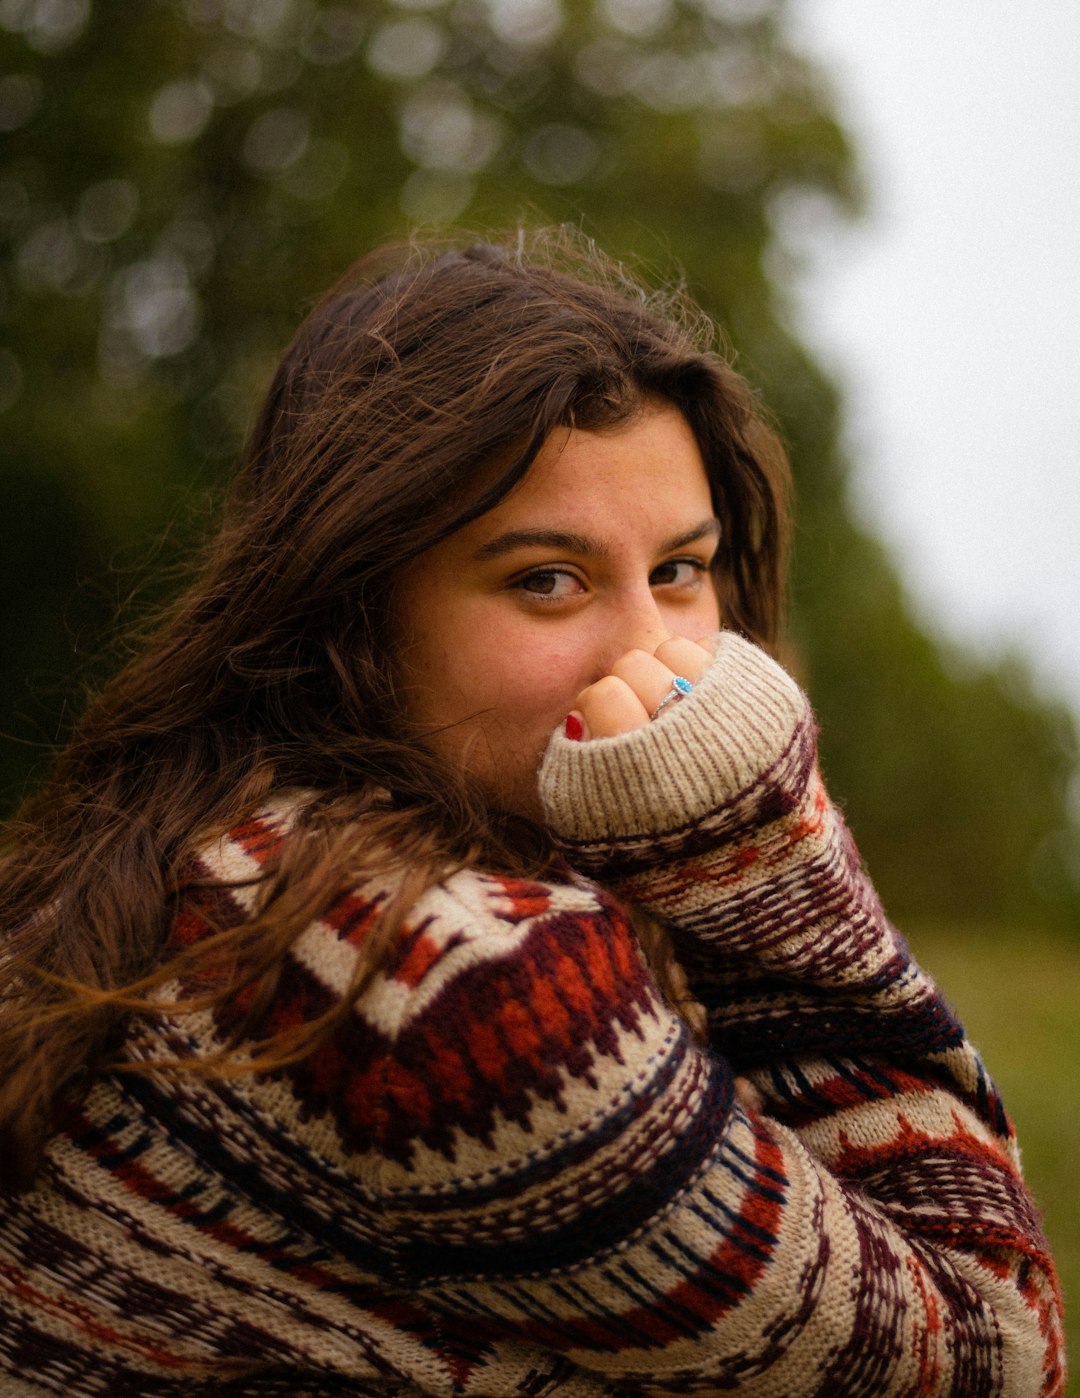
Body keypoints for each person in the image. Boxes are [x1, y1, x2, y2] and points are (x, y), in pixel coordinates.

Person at [0, 230, 1065, 1396]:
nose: (650, 653)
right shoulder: (463, 976)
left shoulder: (204, 852)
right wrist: (769, 868)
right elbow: (995, 1352)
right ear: (353, 606)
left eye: (680, 571)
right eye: (544, 579)